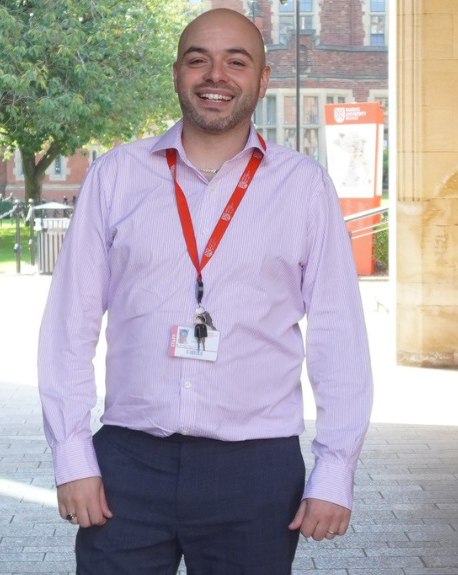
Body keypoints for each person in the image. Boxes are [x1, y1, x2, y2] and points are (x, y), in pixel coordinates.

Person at [37, 8, 373, 574]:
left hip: (257, 472)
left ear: (262, 80)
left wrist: (335, 469)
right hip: (127, 465)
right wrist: (73, 458)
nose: (216, 75)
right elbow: (70, 324)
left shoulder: (304, 187)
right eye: (199, 60)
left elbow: (339, 335)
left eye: (236, 62)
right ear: (177, 73)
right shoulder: (116, 176)